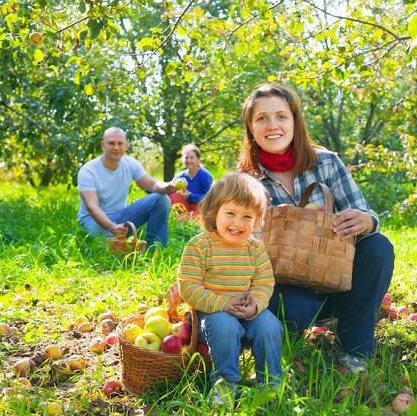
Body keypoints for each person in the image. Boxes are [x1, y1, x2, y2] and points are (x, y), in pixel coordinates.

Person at [237, 83, 395, 373]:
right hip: (286, 291)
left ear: (295, 121)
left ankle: (354, 349)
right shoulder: (244, 183)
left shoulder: (326, 163)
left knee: (378, 247)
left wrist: (366, 220)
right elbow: (232, 245)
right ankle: (289, 343)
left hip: (335, 281)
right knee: (294, 308)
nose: (273, 125)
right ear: (251, 127)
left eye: (281, 116)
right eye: (262, 118)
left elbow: (366, 213)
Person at [177, 173, 283, 405]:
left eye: (247, 217)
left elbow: (264, 282)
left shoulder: (255, 249)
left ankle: (270, 384)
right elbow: (188, 286)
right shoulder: (199, 246)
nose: (238, 223)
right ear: (215, 212)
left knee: (270, 325)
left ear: (257, 221)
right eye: (231, 213)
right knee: (223, 324)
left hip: (248, 312)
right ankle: (225, 384)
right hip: (213, 315)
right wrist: (222, 304)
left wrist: (255, 304)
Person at [77, 127, 174, 247]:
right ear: (103, 145)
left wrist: (168, 186)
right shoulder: (88, 171)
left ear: (126, 145)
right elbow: (92, 207)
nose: (116, 147)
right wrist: (112, 227)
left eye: (120, 143)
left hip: (121, 215)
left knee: (162, 199)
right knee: (106, 242)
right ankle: (115, 237)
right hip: (93, 219)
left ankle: (155, 248)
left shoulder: (130, 164)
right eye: (111, 143)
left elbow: (153, 184)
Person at [169, 143, 214, 218]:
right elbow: (170, 191)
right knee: (173, 194)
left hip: (200, 207)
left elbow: (210, 198)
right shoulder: (180, 176)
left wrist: (190, 196)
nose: (188, 160)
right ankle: (182, 216)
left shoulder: (205, 176)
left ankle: (191, 217)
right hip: (185, 206)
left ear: (198, 160)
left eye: (192, 157)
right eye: (186, 158)